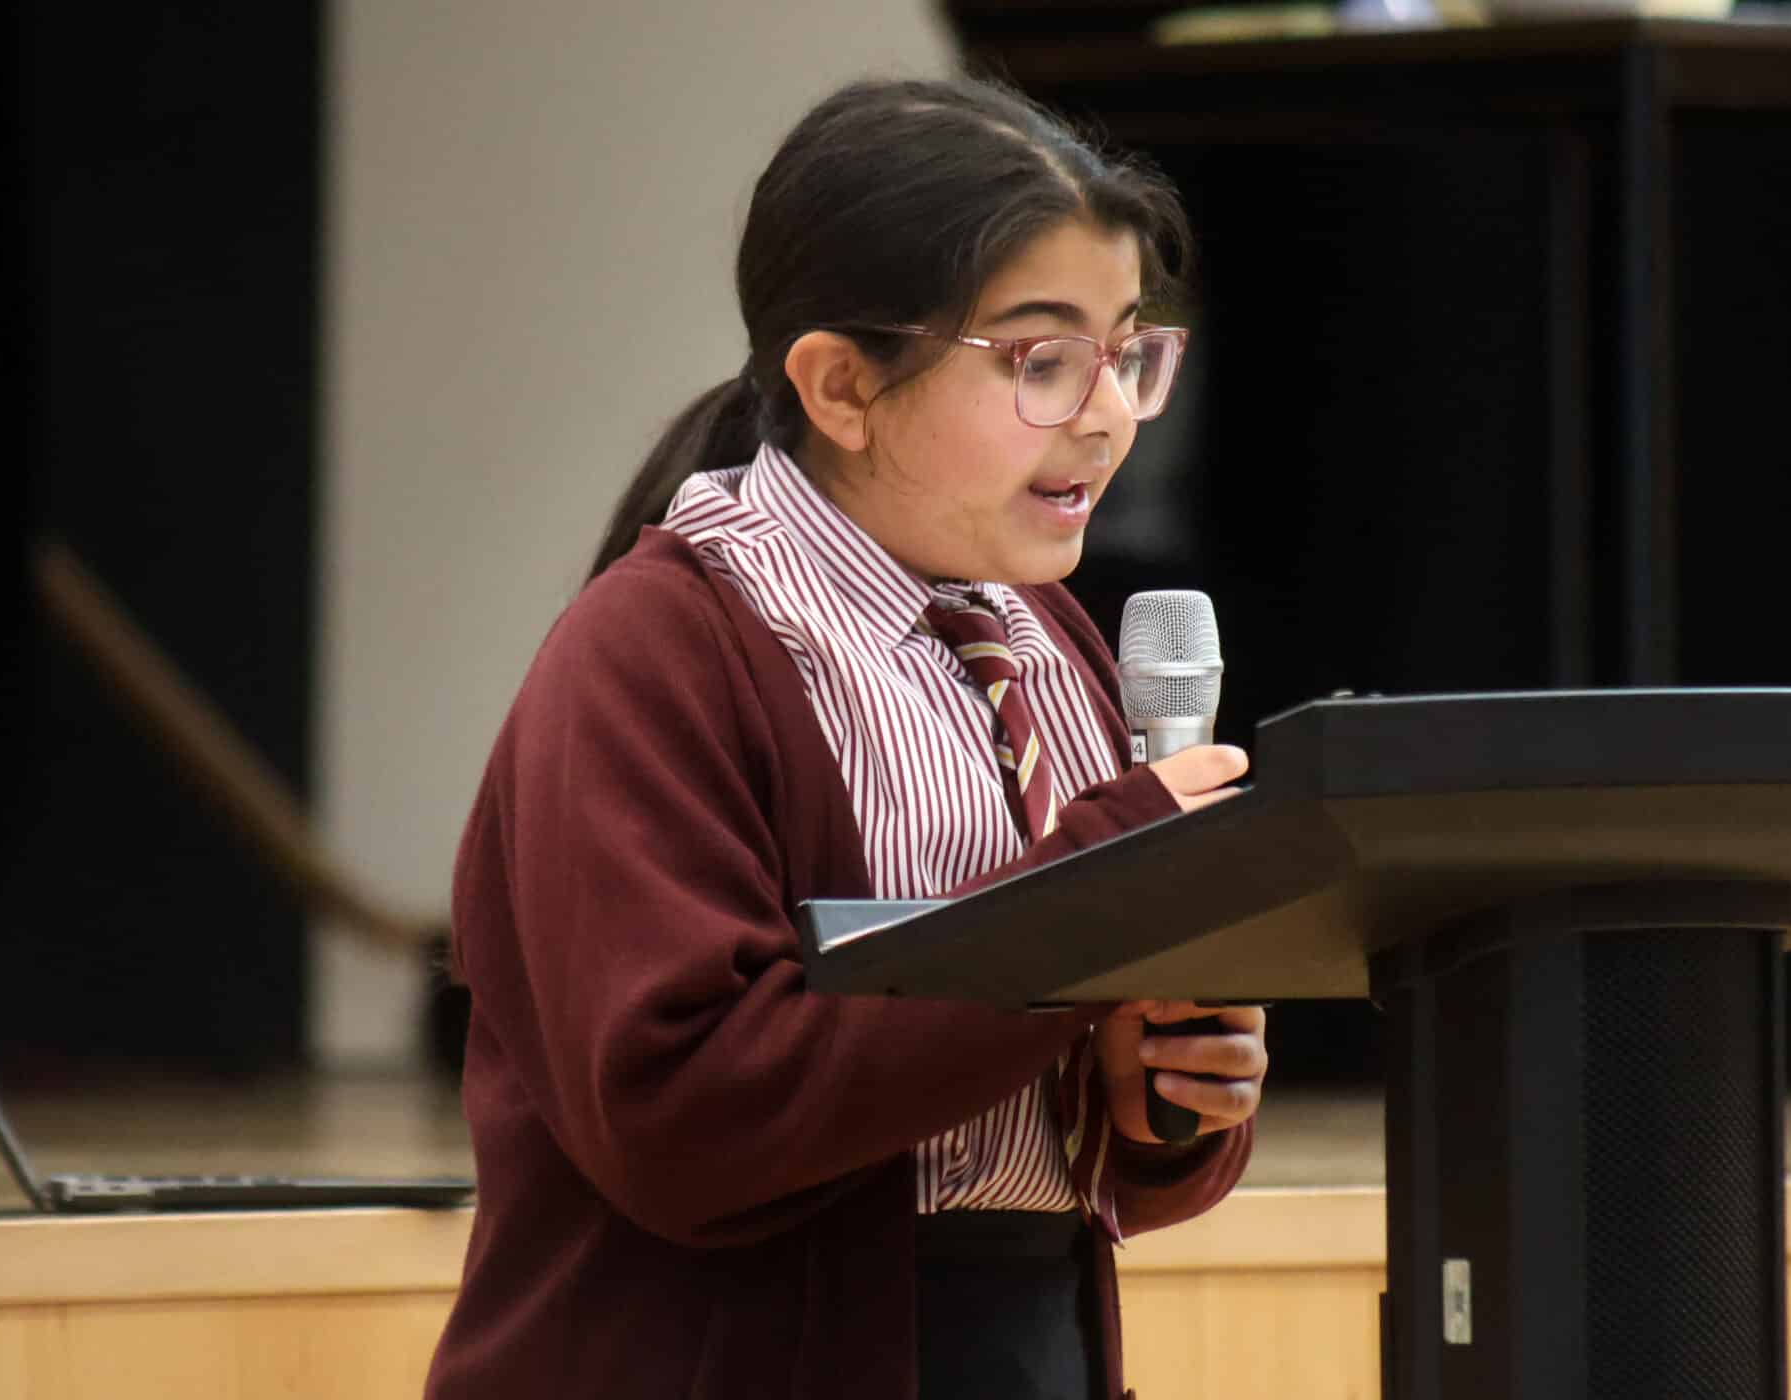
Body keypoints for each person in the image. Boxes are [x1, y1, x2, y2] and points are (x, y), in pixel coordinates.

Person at [423, 75, 1267, 1400]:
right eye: (1043, 362)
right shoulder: (661, 649)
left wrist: (1161, 1103)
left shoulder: (1047, 641)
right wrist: (1100, 900)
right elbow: (685, 1116)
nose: (1107, 416)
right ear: (840, 383)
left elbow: (1020, 1135)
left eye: (1130, 353)